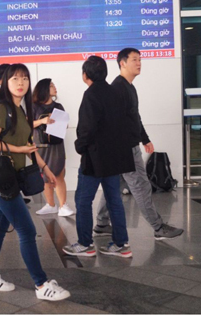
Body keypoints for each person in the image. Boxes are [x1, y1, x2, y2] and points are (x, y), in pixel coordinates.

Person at [0, 63, 70, 302]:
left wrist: (46, 169)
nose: (20, 83)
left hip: (11, 178)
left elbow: (30, 147)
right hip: (0, 180)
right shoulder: (2, 107)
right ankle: (41, 285)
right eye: (15, 78)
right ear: (6, 83)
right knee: (27, 230)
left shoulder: (22, 110)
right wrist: (17, 148)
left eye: (25, 78)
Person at [93, 48, 184, 240]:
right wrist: (127, 146)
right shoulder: (118, 88)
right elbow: (114, 123)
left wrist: (145, 138)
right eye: (134, 59)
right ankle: (158, 227)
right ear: (122, 63)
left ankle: (101, 224)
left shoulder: (128, 87)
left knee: (115, 185)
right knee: (142, 187)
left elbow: (134, 117)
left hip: (124, 146)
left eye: (140, 59)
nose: (139, 63)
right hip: (125, 148)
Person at [62, 56, 134, 258]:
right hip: (114, 158)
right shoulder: (115, 93)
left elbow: (87, 128)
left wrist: (79, 145)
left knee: (83, 200)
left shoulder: (90, 95)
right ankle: (121, 244)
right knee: (114, 200)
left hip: (94, 159)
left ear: (85, 75)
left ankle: (85, 244)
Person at [32, 79, 75, 217]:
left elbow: (64, 124)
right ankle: (50, 204)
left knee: (58, 174)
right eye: (51, 86)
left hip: (56, 144)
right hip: (40, 145)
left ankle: (63, 205)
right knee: (44, 176)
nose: (55, 87)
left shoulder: (58, 106)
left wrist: (60, 123)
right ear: (43, 89)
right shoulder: (33, 106)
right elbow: (27, 124)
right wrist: (42, 121)